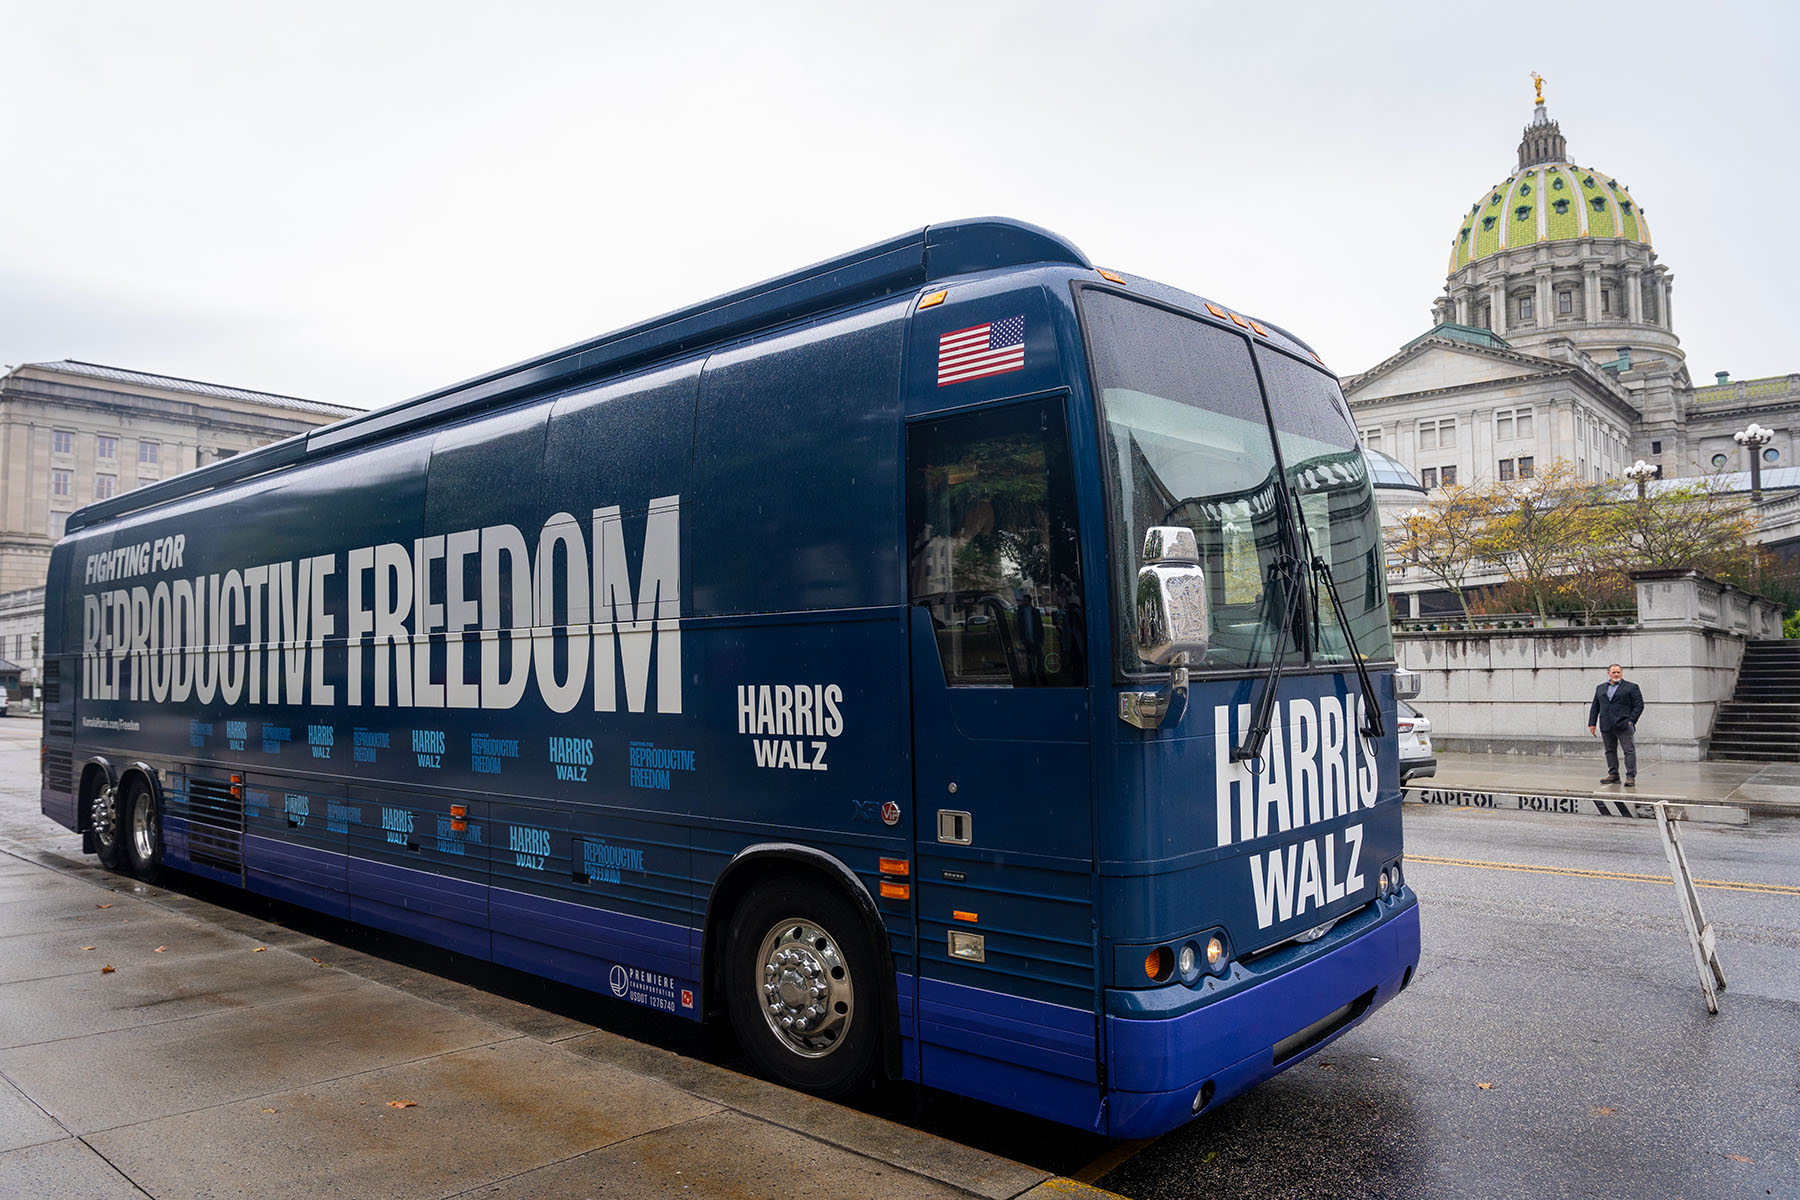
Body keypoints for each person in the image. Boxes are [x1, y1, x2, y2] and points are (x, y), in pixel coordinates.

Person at [1587, 663, 1644, 786]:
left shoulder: (1631, 687)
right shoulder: (1600, 688)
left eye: (1618, 672)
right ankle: (1613, 774)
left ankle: (1630, 776)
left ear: (1621, 673)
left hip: (1624, 725)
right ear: (1609, 674)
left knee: (1629, 751)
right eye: (1614, 672)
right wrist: (1592, 723)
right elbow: (1595, 706)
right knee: (1609, 751)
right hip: (1606, 725)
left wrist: (1631, 721)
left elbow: (1639, 705)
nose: (1616, 674)